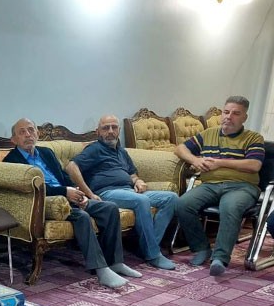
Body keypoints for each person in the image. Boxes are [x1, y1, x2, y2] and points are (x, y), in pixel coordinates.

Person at [4, 118, 141, 288]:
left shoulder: (46, 152)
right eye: (22, 132)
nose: (28, 135)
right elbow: (33, 188)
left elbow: (63, 176)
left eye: (31, 130)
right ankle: (101, 270)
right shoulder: (12, 161)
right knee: (82, 217)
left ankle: (115, 262)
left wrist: (78, 193)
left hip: (68, 196)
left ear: (37, 134)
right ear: (14, 139)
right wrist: (65, 192)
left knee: (110, 208)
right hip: (47, 203)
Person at [66, 115, 178, 270]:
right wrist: (89, 194)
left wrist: (138, 181)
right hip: (108, 192)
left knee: (171, 198)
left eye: (114, 127)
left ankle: (147, 246)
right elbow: (71, 167)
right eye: (106, 128)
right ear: (98, 132)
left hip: (129, 191)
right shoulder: (94, 149)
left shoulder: (122, 152)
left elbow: (132, 173)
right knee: (142, 201)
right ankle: (153, 254)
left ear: (119, 130)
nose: (110, 131)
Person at [174, 96, 265, 275]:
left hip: (242, 186)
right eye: (226, 112)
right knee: (182, 204)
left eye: (236, 113)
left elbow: (254, 165)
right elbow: (180, 148)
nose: (229, 117)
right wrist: (195, 160)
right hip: (210, 185)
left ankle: (220, 258)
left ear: (244, 117)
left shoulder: (253, 137)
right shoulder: (209, 133)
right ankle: (201, 248)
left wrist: (219, 163)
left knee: (229, 206)